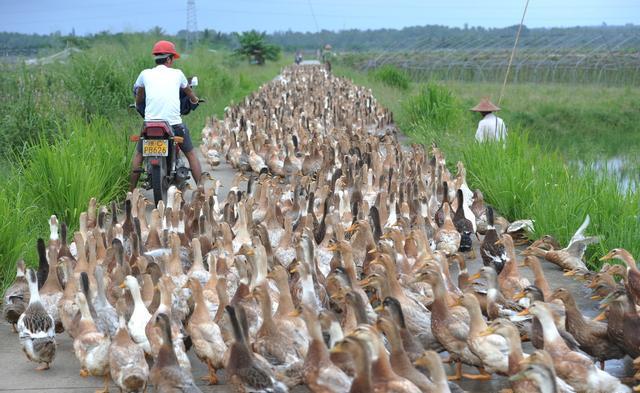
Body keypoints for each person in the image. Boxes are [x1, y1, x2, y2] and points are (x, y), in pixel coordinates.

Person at [129, 40, 202, 191]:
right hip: (173, 125)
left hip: (150, 125)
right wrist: (195, 100)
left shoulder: (145, 74)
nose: (173, 62)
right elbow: (188, 92)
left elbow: (139, 94)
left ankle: (130, 191)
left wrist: (137, 103)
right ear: (169, 59)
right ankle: (201, 189)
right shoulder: (178, 74)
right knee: (191, 154)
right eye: (173, 59)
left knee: (138, 155)